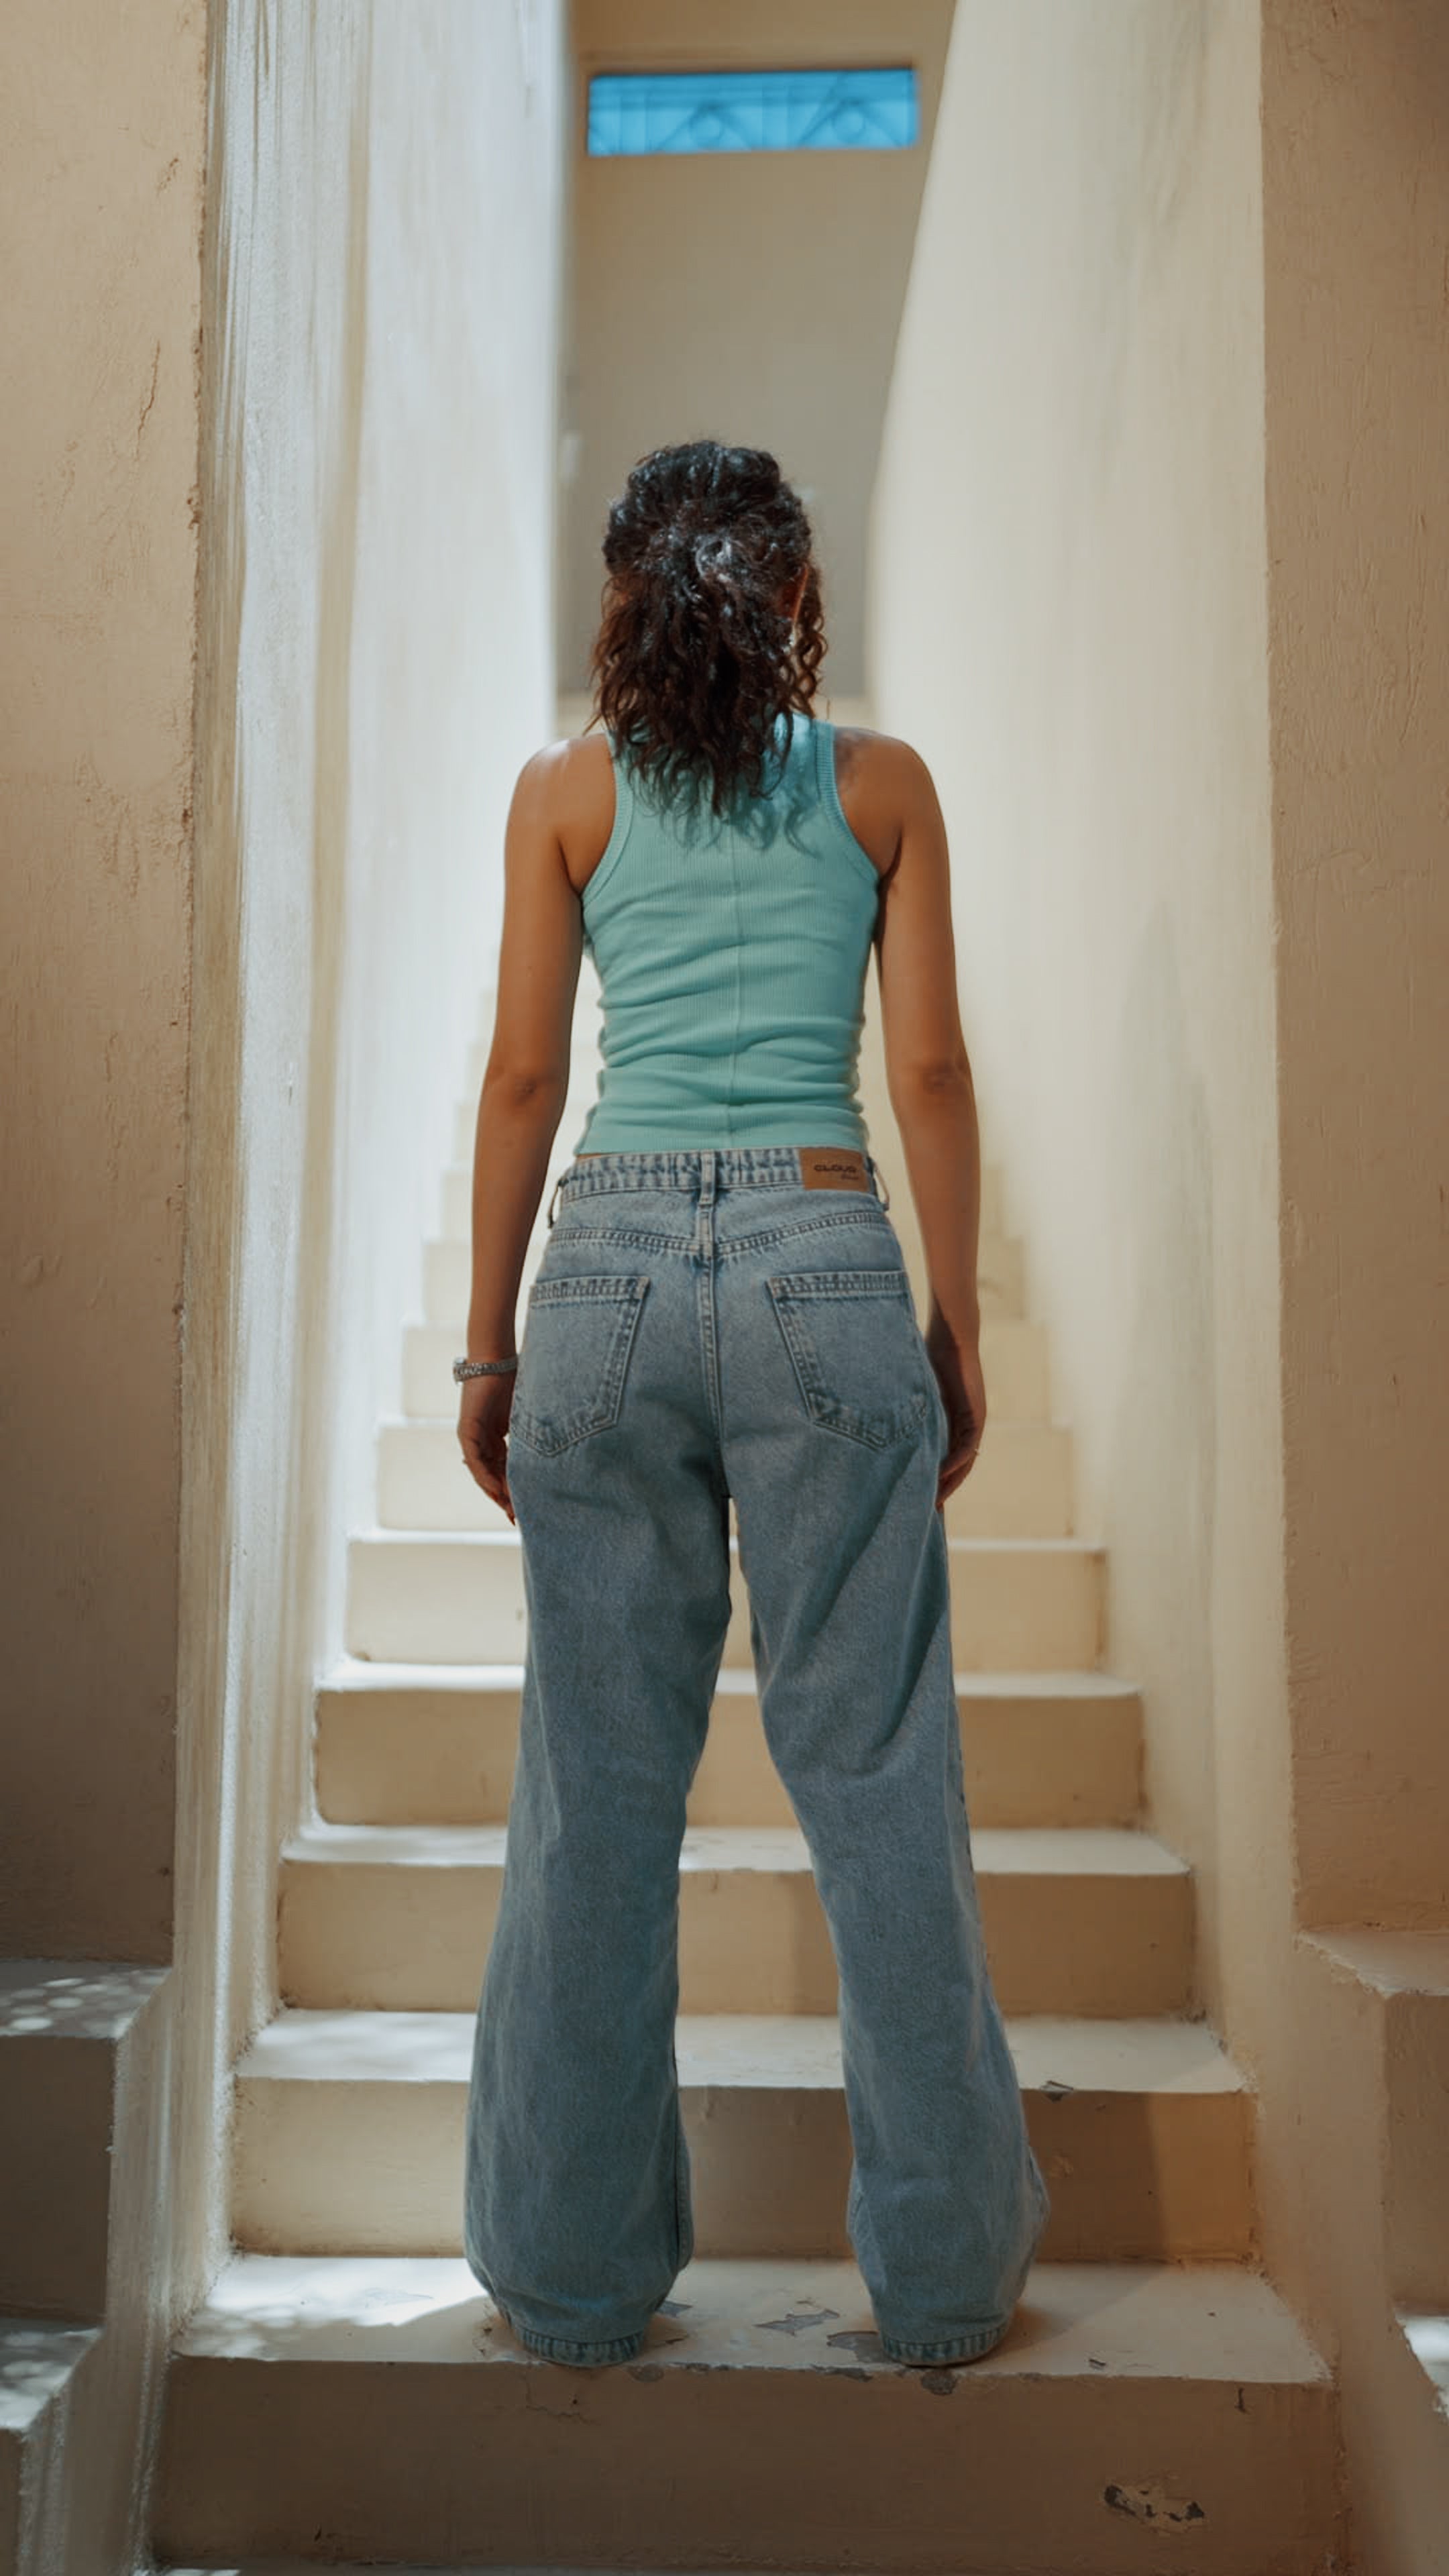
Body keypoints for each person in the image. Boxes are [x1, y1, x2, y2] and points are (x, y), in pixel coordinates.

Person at [455, 438, 1049, 2371]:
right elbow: (936, 1073)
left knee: (595, 1802)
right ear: (800, 599)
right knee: (880, 1785)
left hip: (609, 1284)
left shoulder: (565, 795)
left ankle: (570, 2281)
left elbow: (525, 1085)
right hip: (820, 1261)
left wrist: (491, 1346)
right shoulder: (880, 787)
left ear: (628, 606)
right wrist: (952, 1322)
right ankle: (949, 2282)